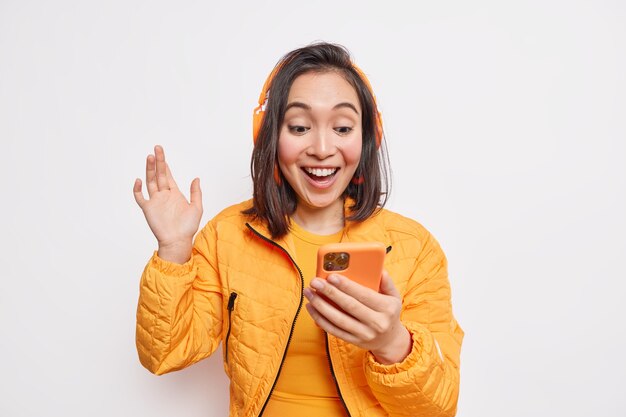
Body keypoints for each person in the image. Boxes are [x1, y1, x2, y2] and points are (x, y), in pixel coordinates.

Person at [133, 42, 464, 417]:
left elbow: (438, 408)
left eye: (342, 127)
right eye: (300, 127)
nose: (322, 148)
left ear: (367, 139)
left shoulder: (414, 248)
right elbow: (164, 353)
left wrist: (391, 342)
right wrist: (174, 248)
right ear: (270, 135)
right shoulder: (227, 235)